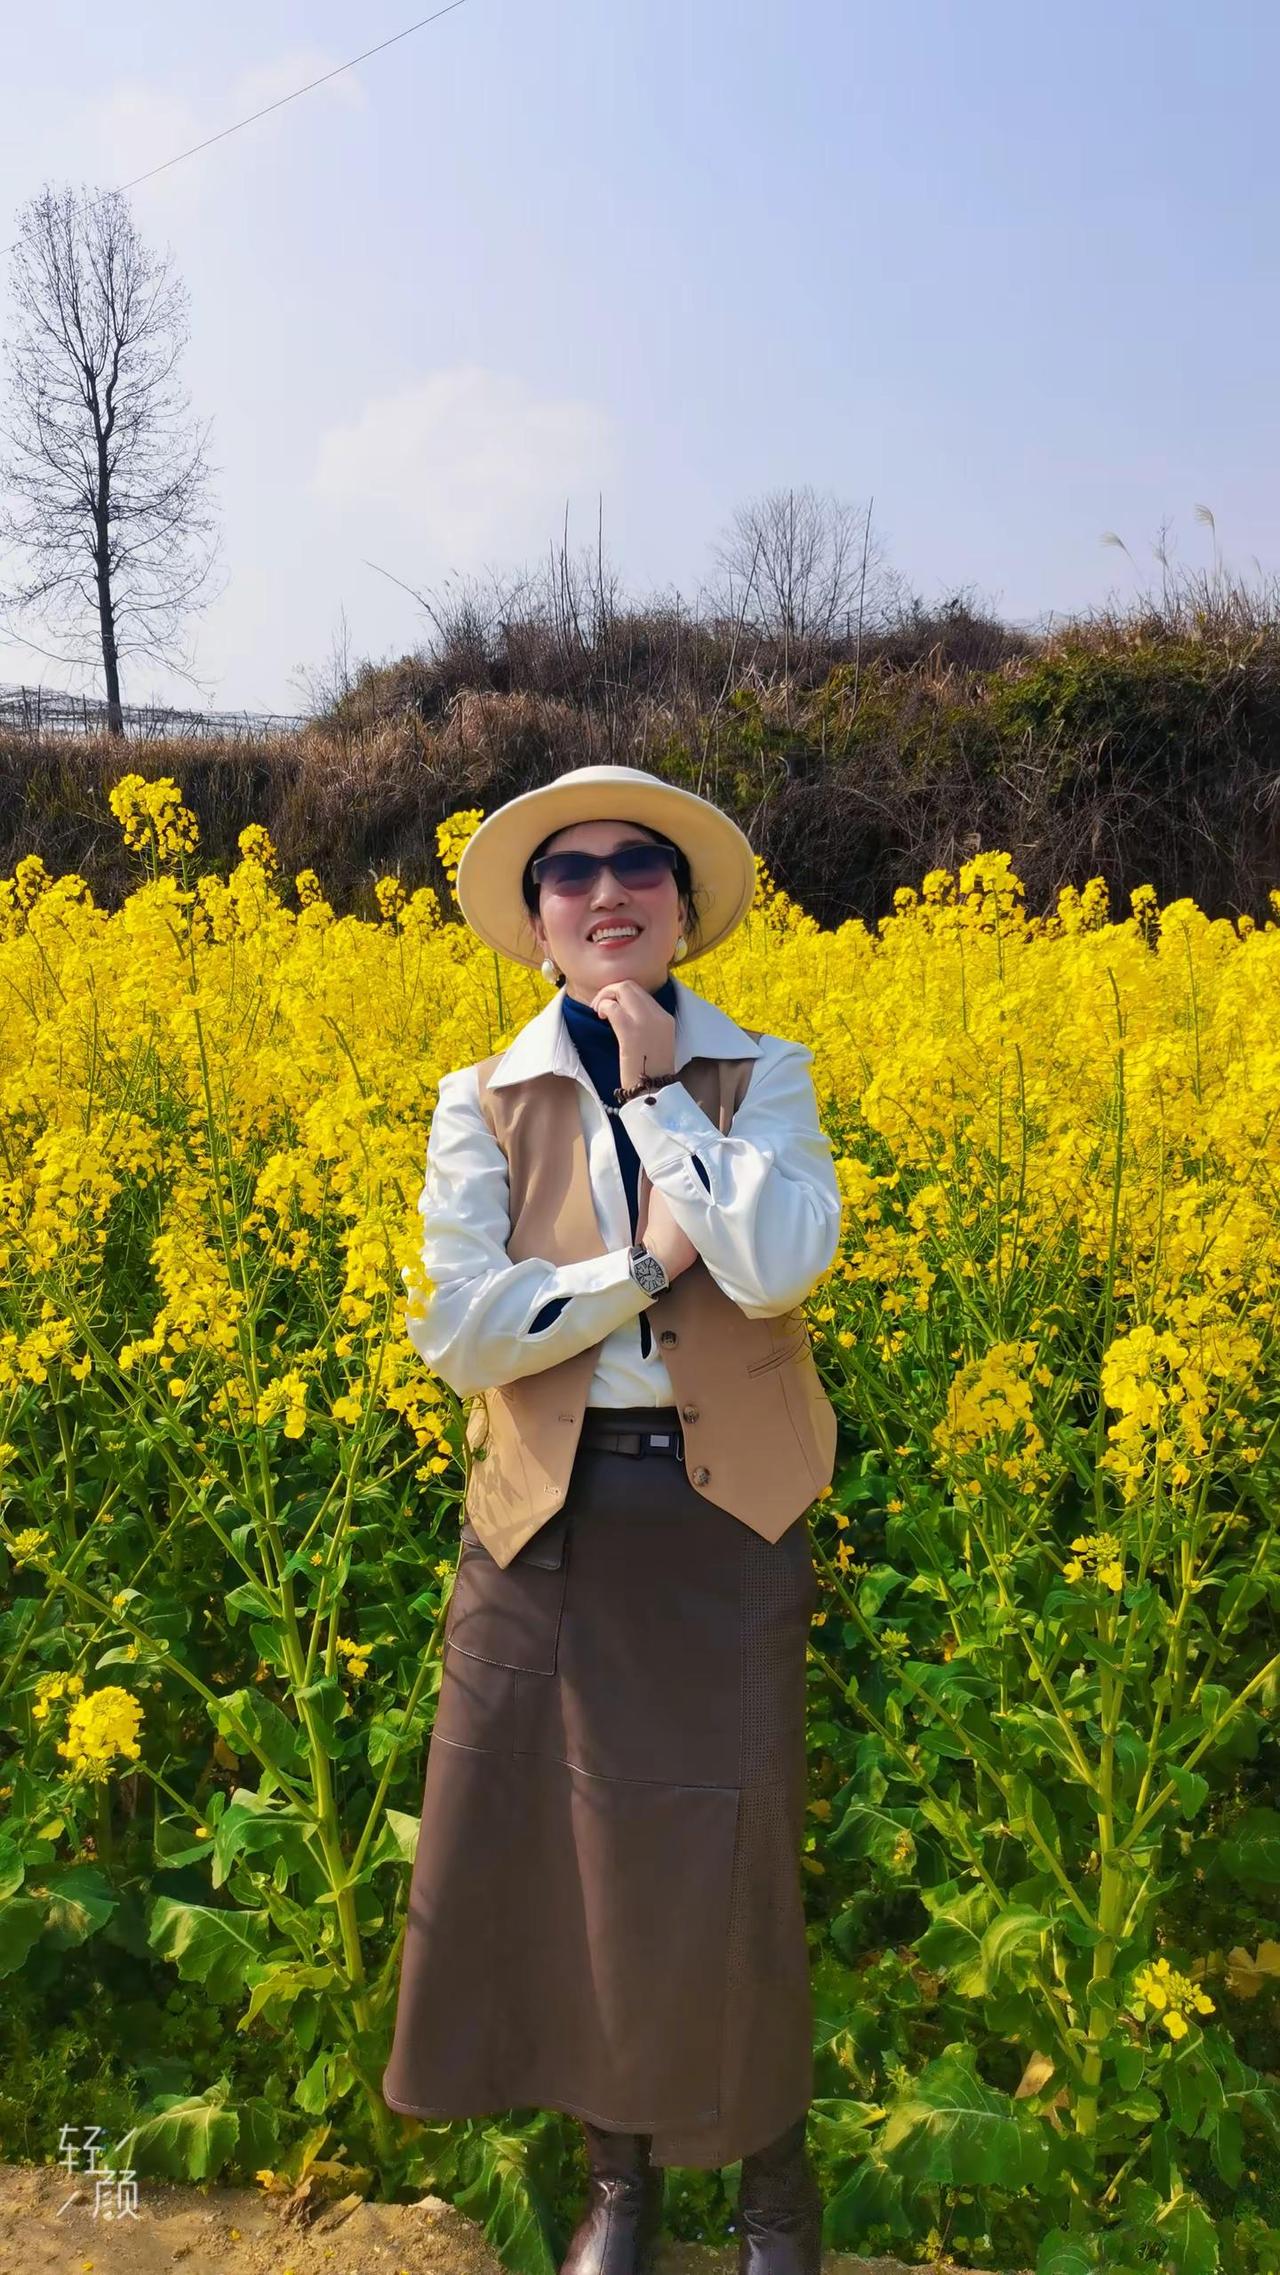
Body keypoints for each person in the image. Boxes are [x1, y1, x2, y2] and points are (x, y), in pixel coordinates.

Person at [382, 763, 842, 2275]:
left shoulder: (760, 1073)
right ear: (536, 926)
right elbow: (458, 1328)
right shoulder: (483, 1097)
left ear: (683, 911)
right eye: (568, 874)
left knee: (732, 1862)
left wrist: (656, 1099)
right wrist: (637, 1276)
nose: (605, 891)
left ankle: (774, 2198)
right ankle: (620, 2191)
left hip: (722, 1524)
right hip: (552, 1527)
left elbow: (774, 1268)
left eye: (639, 865)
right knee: (569, 1862)